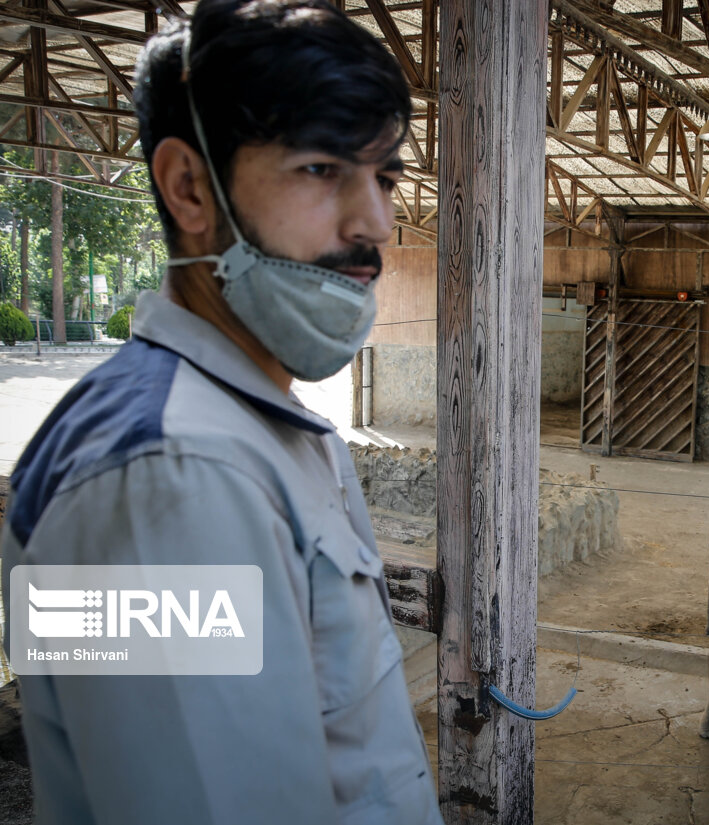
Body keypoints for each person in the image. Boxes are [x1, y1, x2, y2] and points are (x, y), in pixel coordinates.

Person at [0, 1, 445, 822]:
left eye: (384, 178)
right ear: (189, 187)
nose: (376, 222)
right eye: (322, 170)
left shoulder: (250, 427)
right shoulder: (161, 479)